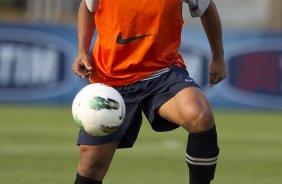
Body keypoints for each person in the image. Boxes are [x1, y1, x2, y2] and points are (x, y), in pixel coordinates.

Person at [72, 0, 226, 183]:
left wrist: (218, 57)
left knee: (200, 115)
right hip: (110, 81)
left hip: (162, 73)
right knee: (91, 166)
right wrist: (82, 51)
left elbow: (207, 8)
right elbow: (87, 7)